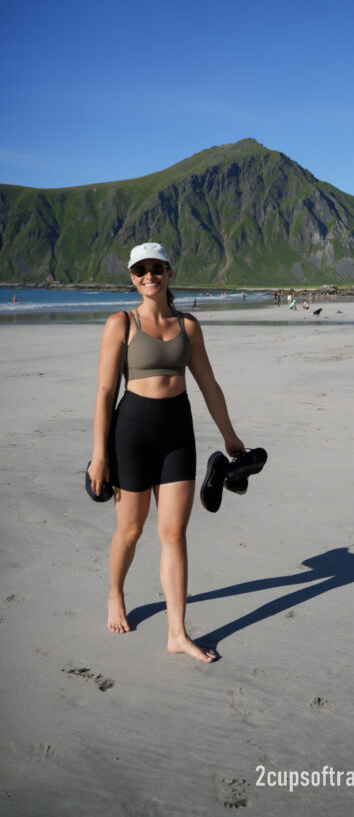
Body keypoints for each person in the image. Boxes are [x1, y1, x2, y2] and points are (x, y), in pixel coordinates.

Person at [90, 242, 245, 663]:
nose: (148, 276)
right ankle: (115, 593)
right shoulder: (120, 323)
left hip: (178, 433)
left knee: (174, 534)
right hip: (131, 434)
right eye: (140, 270)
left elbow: (208, 385)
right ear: (132, 277)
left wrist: (229, 435)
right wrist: (99, 454)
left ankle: (177, 632)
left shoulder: (188, 325)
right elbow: (106, 391)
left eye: (156, 268)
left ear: (169, 273)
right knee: (131, 531)